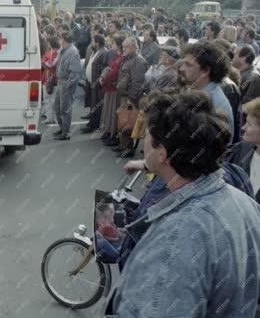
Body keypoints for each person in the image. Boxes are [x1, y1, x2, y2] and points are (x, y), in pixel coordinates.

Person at [110, 90, 260, 317]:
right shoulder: (243, 202)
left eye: (148, 134)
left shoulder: (176, 239)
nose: (143, 140)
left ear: (162, 153)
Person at [179, 41, 235, 139]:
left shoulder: (216, 105)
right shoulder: (192, 91)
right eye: (183, 63)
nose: (181, 68)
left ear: (205, 71)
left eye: (188, 65)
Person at [113, 37, 147, 157]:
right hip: (124, 96)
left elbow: (137, 83)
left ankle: (128, 149)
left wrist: (131, 99)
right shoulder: (128, 59)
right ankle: (123, 145)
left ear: (134, 47)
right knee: (123, 121)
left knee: (128, 122)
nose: (124, 49)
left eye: (126, 47)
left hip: (130, 98)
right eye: (123, 47)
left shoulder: (138, 61)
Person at [52, 30, 82, 141]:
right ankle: (62, 128)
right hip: (62, 83)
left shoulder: (73, 52)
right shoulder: (64, 50)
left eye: (60, 38)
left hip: (66, 84)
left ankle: (66, 132)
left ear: (63, 40)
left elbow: (75, 73)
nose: (58, 40)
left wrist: (67, 84)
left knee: (65, 109)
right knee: (58, 107)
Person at [100, 35, 125, 146]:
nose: (111, 45)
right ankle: (109, 131)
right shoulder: (117, 56)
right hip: (109, 87)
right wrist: (103, 77)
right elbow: (109, 69)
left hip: (114, 88)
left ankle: (114, 134)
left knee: (113, 112)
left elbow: (114, 73)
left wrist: (104, 79)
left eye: (114, 43)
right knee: (108, 111)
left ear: (119, 45)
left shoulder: (121, 58)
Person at [81, 33, 108, 133]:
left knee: (96, 105)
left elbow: (103, 68)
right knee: (93, 105)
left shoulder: (103, 52)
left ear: (97, 43)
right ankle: (91, 123)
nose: (91, 43)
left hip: (97, 84)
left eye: (92, 41)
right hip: (91, 83)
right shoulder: (95, 51)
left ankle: (94, 125)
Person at [42, 36, 61, 124]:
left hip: (54, 79)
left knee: (54, 100)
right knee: (46, 99)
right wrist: (44, 63)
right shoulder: (48, 51)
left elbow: (51, 64)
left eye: (49, 42)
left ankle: (56, 118)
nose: (48, 44)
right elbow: (43, 61)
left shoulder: (57, 53)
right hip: (46, 78)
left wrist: (44, 63)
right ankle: (49, 118)